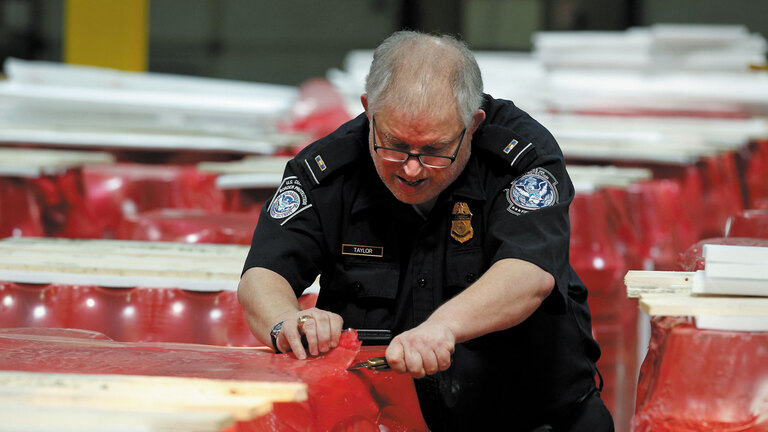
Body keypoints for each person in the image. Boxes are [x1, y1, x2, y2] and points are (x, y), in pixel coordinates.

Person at [238, 30, 613, 431]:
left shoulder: (520, 159)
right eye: (394, 144)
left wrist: (444, 326)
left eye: (434, 150)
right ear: (369, 110)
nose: (411, 168)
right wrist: (285, 323)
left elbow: (528, 275)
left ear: (473, 125)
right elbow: (264, 272)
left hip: (534, 418)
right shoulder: (328, 170)